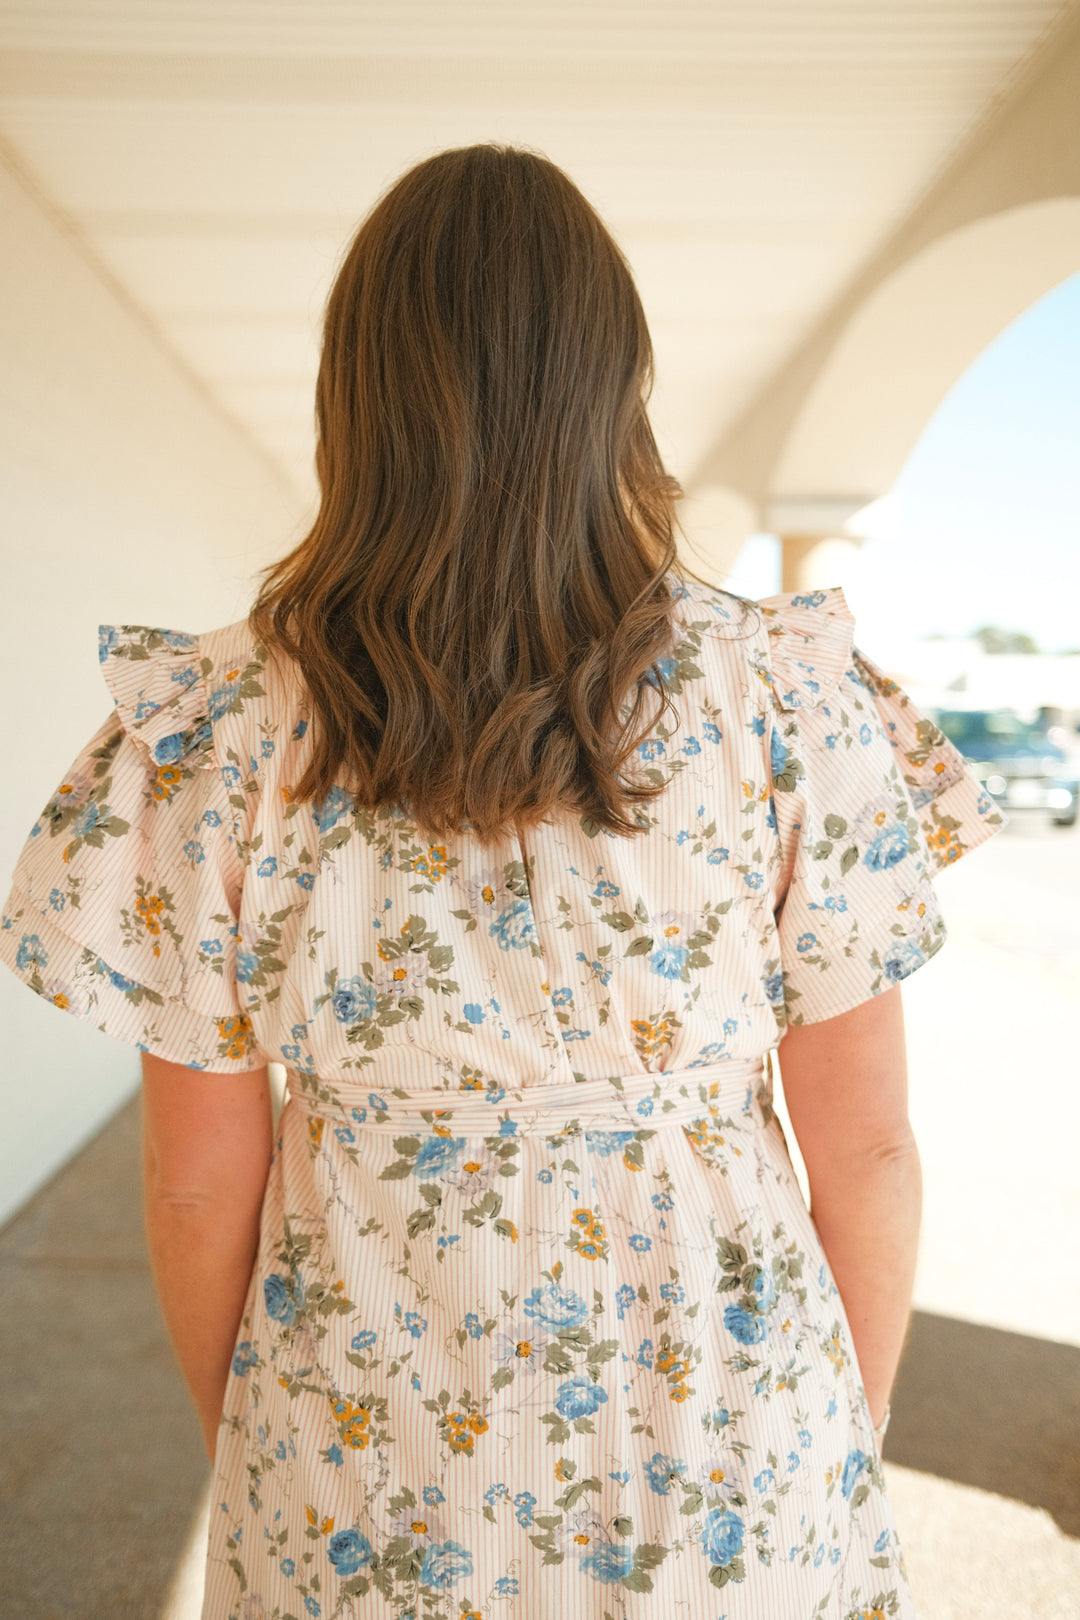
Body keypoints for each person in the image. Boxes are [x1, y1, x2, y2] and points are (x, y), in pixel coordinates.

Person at [0, 144, 1006, 1619]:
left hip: (357, 1453)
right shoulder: (787, 701)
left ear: (358, 400)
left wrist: (262, 1444)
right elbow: (865, 1153)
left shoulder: (209, 735)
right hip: (737, 1448)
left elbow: (198, 1175)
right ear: (617, 388)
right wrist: (840, 1432)